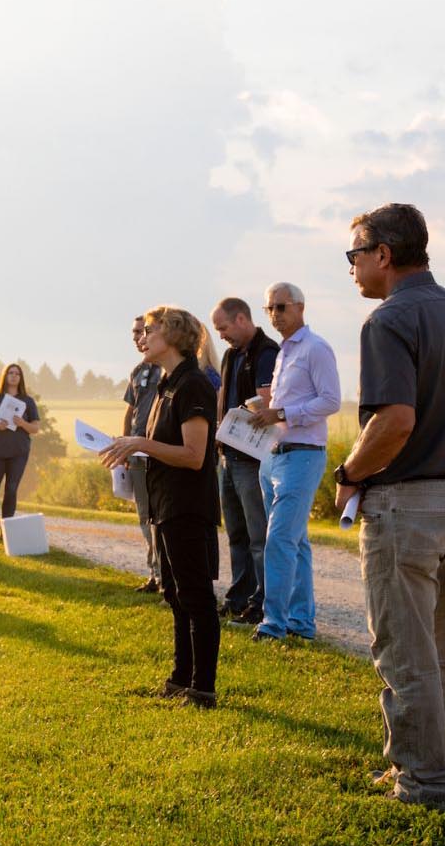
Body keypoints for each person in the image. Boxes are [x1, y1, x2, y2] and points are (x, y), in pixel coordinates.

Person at [337, 203, 445, 811]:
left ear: (384, 254)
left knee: (403, 652)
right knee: (434, 653)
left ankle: (426, 786)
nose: (351, 267)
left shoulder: (387, 321)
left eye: (354, 255)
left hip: (405, 505)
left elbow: (396, 419)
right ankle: (414, 765)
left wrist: (350, 473)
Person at [101, 305, 221, 709]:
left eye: (150, 330)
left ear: (173, 335)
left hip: (188, 505)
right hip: (164, 503)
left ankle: (202, 689)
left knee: (196, 597)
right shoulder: (165, 384)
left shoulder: (194, 385)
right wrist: (131, 449)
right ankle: (179, 679)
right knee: (173, 593)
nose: (143, 337)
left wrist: (139, 444)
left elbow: (193, 455)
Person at [246, 281, 341, 643]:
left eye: (280, 307)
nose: (274, 315)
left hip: (303, 455)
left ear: (300, 306)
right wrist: (263, 412)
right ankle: (301, 622)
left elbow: (331, 401)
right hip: (273, 454)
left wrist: (283, 412)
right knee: (296, 543)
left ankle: (273, 623)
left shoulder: (316, 349)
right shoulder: (285, 351)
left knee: (280, 540)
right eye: (268, 308)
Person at [211, 297, 279, 623]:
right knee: (236, 533)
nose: (221, 335)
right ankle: (239, 596)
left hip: (251, 458)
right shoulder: (229, 355)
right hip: (228, 453)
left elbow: (266, 403)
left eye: (223, 328)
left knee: (257, 536)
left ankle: (263, 601)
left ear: (241, 319)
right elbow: (223, 395)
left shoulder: (266, 352)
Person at [0, 363, 41, 542]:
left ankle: (7, 532)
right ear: (4, 376)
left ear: (21, 378)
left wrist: (22, 423)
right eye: (10, 373)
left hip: (19, 452)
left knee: (11, 490)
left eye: (17, 374)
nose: (13, 376)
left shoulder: (28, 401)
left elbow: (35, 428)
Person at [121, 318, 163, 592]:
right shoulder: (137, 371)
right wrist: (124, 444)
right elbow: (130, 409)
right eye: (134, 333)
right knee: (144, 515)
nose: (137, 337)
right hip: (135, 453)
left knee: (159, 517)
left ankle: (164, 576)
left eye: (142, 331)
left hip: (157, 452)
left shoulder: (165, 369)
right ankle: (154, 572)